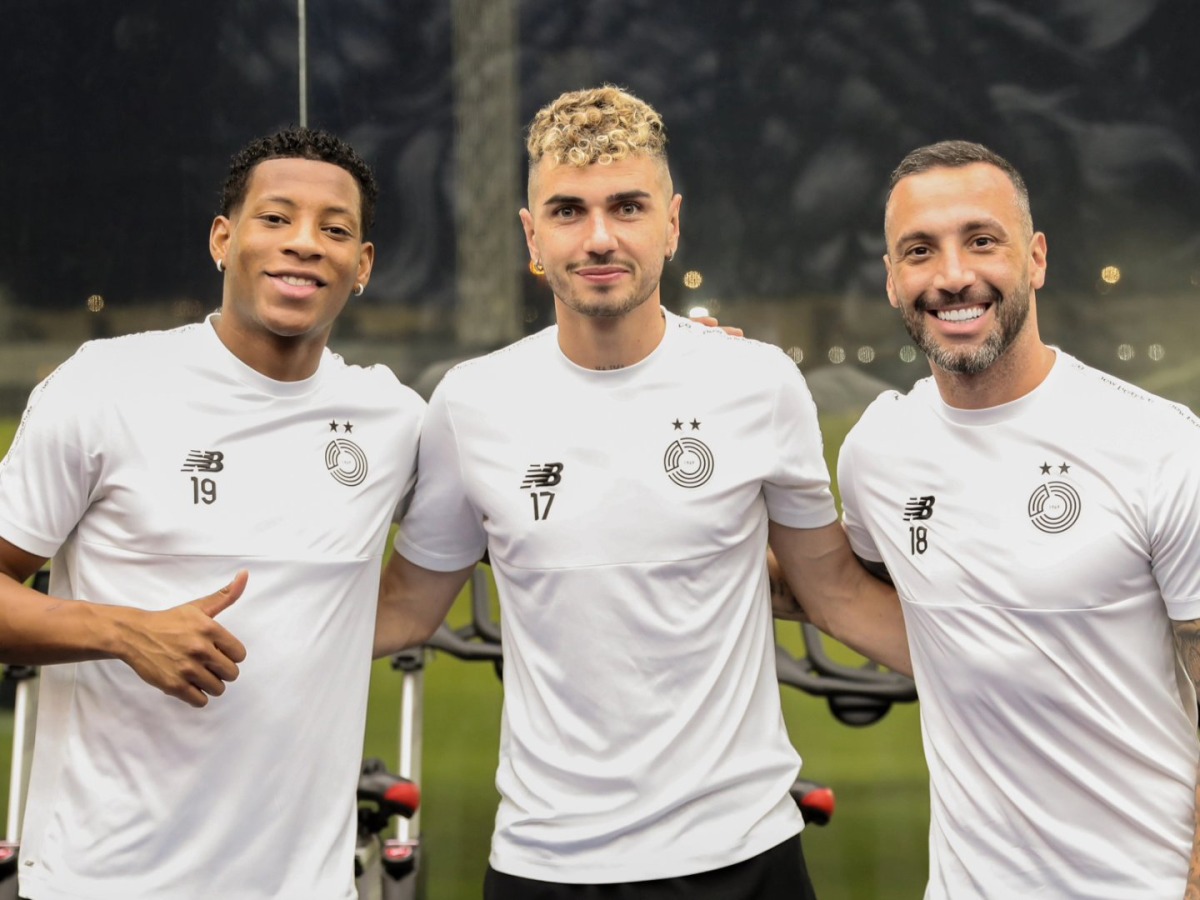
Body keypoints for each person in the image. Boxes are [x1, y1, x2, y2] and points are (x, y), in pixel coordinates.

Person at [375, 85, 908, 900]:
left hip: (746, 856)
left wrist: (1021, 666)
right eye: (567, 211)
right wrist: (188, 637)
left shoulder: (758, 383)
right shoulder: (471, 404)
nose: (598, 238)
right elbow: (406, 610)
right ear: (531, 235)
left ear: (672, 223)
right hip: (547, 863)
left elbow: (832, 591)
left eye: (627, 206)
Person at [0, 127, 424, 899]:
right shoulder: (106, 386)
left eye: (335, 230)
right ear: (222, 240)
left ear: (361, 267)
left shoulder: (393, 419)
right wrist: (124, 631)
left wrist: (694, 368)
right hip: (100, 881)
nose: (304, 244)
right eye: (275, 218)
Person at [828, 139, 1200, 898]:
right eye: (920, 252)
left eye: (982, 241)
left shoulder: (1160, 444)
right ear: (893, 281)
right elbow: (838, 587)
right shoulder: (878, 452)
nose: (954, 275)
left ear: (1034, 258)